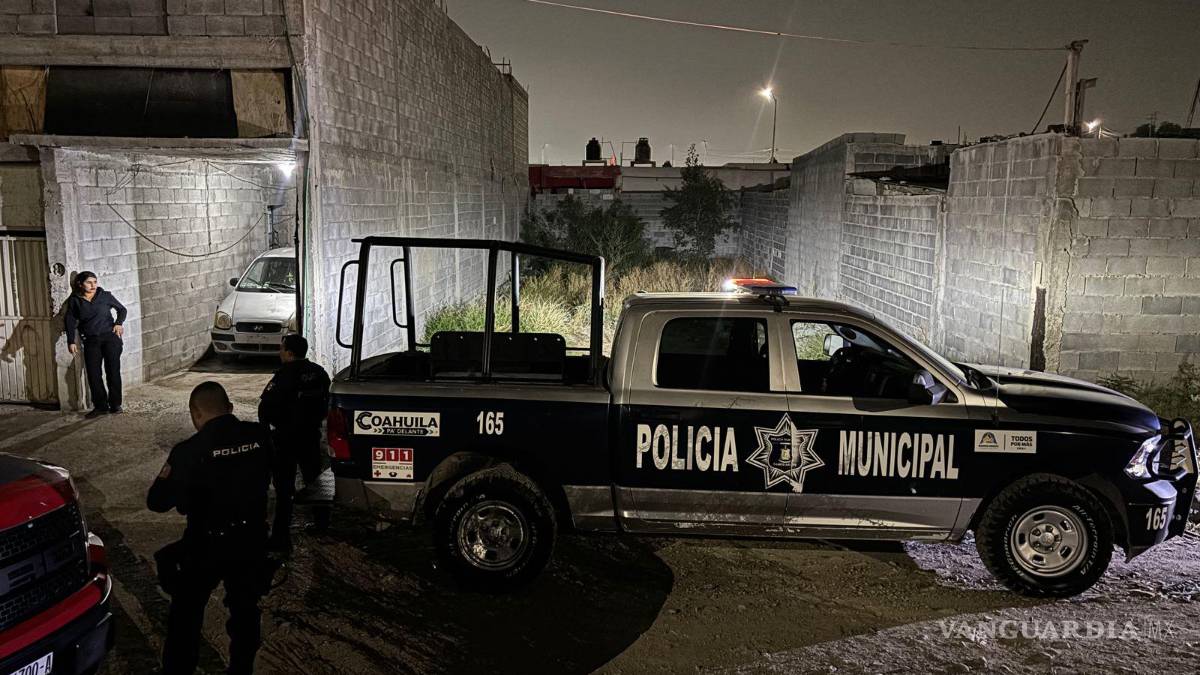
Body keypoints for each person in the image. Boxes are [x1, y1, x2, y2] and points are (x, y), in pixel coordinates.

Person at [148, 382, 274, 675]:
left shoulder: (188, 451)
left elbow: (157, 502)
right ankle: (241, 669)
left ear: (195, 414)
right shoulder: (260, 436)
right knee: (245, 611)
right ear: (229, 407)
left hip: (206, 544)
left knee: (186, 614)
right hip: (251, 539)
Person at [258, 333, 331, 553]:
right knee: (315, 481)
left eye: (282, 348)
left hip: (285, 440)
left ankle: (281, 536)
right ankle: (323, 525)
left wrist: (266, 434)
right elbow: (327, 401)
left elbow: (265, 409)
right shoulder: (319, 372)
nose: (279, 352)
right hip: (310, 437)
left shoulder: (283, 376)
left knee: (284, 489)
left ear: (289, 353)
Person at [64, 271, 127, 417]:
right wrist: (71, 341)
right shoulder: (75, 300)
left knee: (113, 371)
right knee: (93, 374)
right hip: (91, 340)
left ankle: (115, 404)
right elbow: (70, 320)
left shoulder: (104, 296)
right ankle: (101, 406)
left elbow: (122, 309)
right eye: (89, 282)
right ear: (80, 284)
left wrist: (118, 323)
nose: (93, 285)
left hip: (110, 338)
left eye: (95, 282)